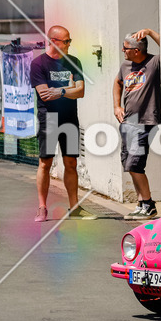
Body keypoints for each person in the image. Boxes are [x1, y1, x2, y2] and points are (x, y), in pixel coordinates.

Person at [30, 25, 95, 222]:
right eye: (66, 41)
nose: (69, 44)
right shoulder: (38, 64)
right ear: (54, 42)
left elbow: (81, 91)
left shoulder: (74, 62)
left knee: (71, 163)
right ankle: (42, 207)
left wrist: (60, 91)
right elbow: (44, 95)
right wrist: (69, 88)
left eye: (70, 41)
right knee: (45, 163)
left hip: (69, 118)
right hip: (48, 119)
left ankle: (74, 206)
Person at [113, 28, 161, 220]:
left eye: (125, 48)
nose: (123, 51)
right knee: (129, 164)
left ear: (137, 50)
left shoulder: (153, 62)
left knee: (135, 164)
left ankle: (149, 205)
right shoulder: (126, 66)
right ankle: (141, 203)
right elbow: (117, 83)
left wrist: (149, 32)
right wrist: (117, 106)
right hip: (129, 121)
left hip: (145, 121)